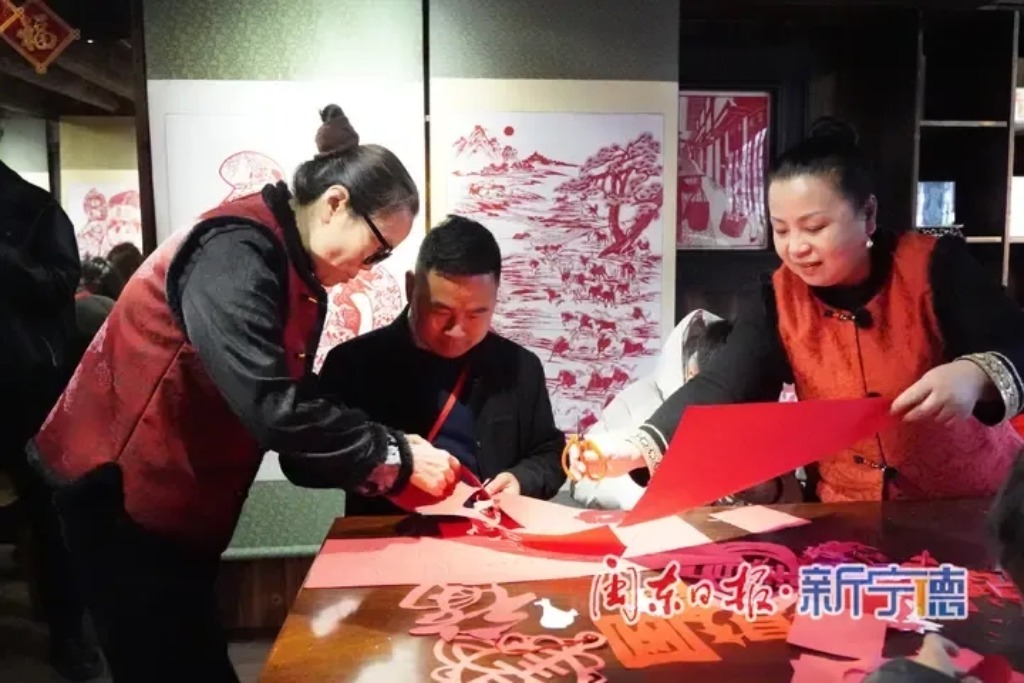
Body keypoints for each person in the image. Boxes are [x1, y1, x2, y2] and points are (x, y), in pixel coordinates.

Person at [26, 104, 461, 682]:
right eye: (377, 248)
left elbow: (287, 392)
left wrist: (381, 447)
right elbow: (271, 404)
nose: (368, 268)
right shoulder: (235, 252)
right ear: (335, 203)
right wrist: (392, 456)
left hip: (172, 505)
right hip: (121, 493)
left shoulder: (287, 262)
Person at [568, 116, 1024, 503]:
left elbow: (1015, 340)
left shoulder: (933, 266)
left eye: (815, 227)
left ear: (867, 215)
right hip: (848, 513)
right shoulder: (778, 297)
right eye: (781, 230)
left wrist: (973, 375)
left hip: (969, 504)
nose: (796, 247)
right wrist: (637, 446)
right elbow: (723, 385)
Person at [318, 215, 566, 515]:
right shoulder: (353, 363)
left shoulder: (520, 367)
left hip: (490, 534)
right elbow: (302, 463)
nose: (457, 330)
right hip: (387, 535)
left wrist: (521, 480)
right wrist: (384, 460)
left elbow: (548, 452)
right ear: (411, 287)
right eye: (441, 311)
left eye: (476, 314)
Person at [0, 159, 103, 680]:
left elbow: (61, 283)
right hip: (25, 381)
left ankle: (70, 636)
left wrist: (5, 260)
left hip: (26, 385)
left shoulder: (34, 206)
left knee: (51, 516)